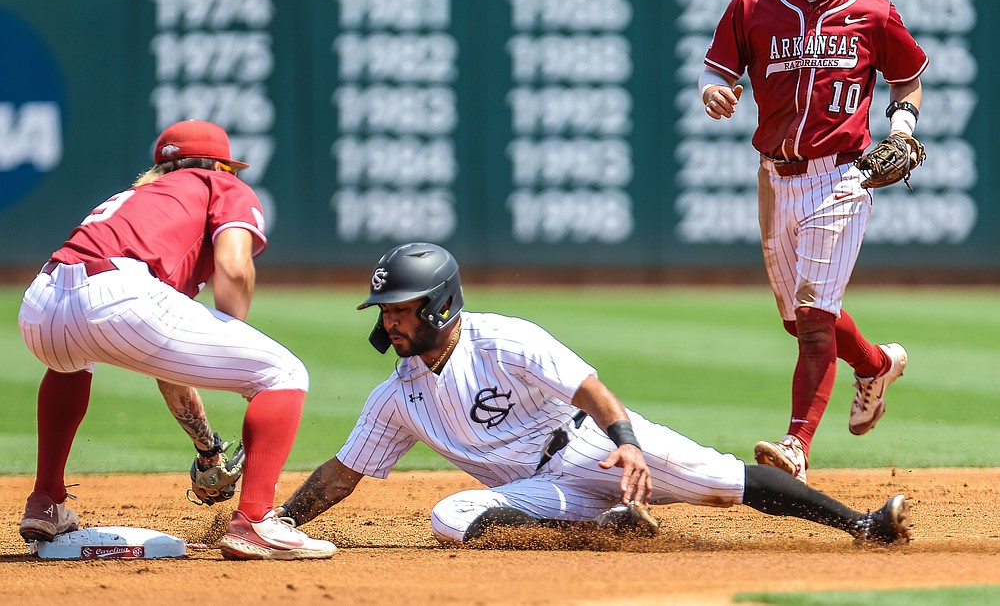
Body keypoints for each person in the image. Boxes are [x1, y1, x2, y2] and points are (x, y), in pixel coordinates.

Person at [274, 242, 910, 547]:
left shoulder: (504, 340)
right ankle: (607, 530)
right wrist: (280, 521)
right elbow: (343, 471)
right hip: (540, 492)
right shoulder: (397, 396)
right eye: (384, 310)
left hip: (594, 446)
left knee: (721, 481)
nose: (389, 322)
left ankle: (860, 524)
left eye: (401, 310)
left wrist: (627, 445)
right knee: (450, 518)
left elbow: (592, 390)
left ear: (439, 307)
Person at [16, 119, 334, 560]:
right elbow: (235, 267)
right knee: (282, 373)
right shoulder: (219, 185)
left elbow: (167, 363)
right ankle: (256, 522)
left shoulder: (140, 199)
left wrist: (208, 452)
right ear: (222, 166)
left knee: (69, 362)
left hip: (40, 305)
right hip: (118, 294)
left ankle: (46, 501)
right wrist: (233, 332)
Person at [699, 0, 928, 482]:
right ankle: (877, 365)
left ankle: (796, 447)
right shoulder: (752, 5)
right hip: (775, 176)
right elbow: (716, 74)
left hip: (843, 176)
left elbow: (908, 77)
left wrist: (901, 129)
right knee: (796, 323)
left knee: (816, 319)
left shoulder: (872, 12)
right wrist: (714, 93)